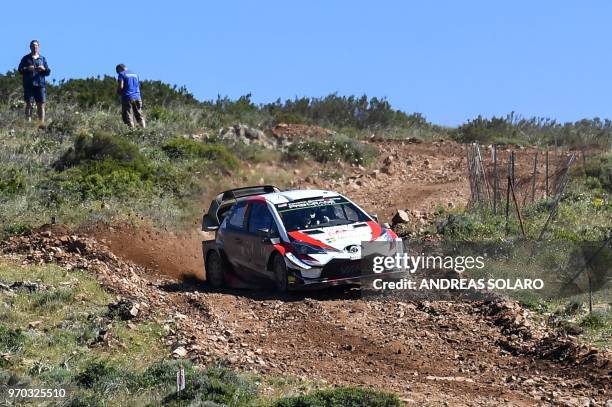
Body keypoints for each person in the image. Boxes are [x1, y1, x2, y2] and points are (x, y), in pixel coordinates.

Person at [18, 40, 51, 122]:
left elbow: (48, 72)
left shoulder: (42, 59)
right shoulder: (25, 58)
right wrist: (27, 68)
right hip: (29, 85)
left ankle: (41, 123)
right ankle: (28, 123)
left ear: (38, 47)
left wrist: (43, 69)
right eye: (33, 45)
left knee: (41, 104)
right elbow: (20, 70)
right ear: (30, 47)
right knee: (29, 104)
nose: (34, 47)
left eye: (36, 45)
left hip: (40, 85)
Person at [116, 64, 145, 128]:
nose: (118, 73)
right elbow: (138, 85)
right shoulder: (135, 74)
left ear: (120, 69)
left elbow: (121, 86)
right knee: (139, 115)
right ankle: (143, 131)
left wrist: (118, 92)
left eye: (117, 71)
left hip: (127, 97)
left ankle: (132, 133)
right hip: (137, 97)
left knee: (128, 117)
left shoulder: (121, 74)